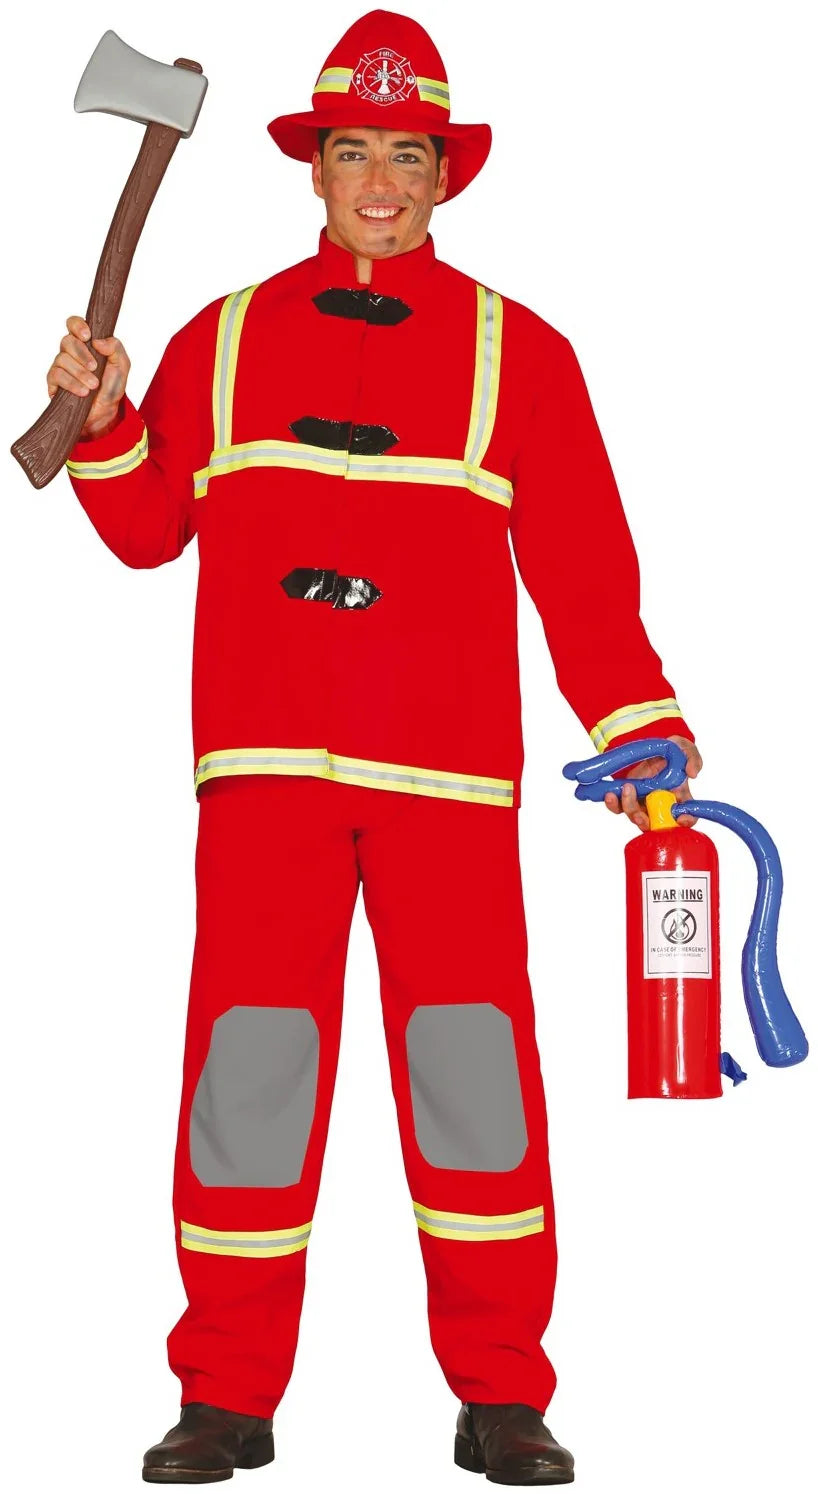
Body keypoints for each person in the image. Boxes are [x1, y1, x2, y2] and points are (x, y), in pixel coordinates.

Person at [49, 9, 702, 1484]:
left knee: (474, 1083)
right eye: (356, 152)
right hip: (266, 777)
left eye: (409, 156)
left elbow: (586, 574)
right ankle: (225, 1391)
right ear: (316, 168)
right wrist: (100, 418)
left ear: (444, 173)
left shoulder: (524, 353)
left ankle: (501, 1393)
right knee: (247, 1082)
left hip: (448, 788)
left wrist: (640, 728)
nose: (382, 184)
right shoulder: (221, 336)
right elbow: (147, 530)